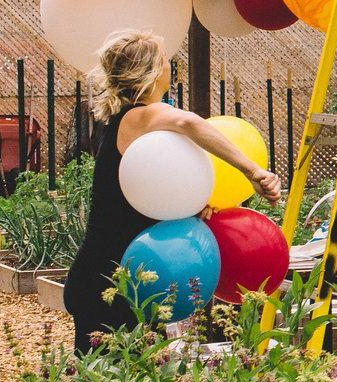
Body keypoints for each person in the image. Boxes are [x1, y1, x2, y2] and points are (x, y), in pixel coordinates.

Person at [65, 29, 284, 351]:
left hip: (126, 280)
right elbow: (189, 123)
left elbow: (142, 201)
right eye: (165, 58)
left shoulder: (133, 123)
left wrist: (191, 210)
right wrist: (252, 171)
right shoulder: (140, 116)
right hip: (110, 286)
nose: (171, 64)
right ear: (152, 71)